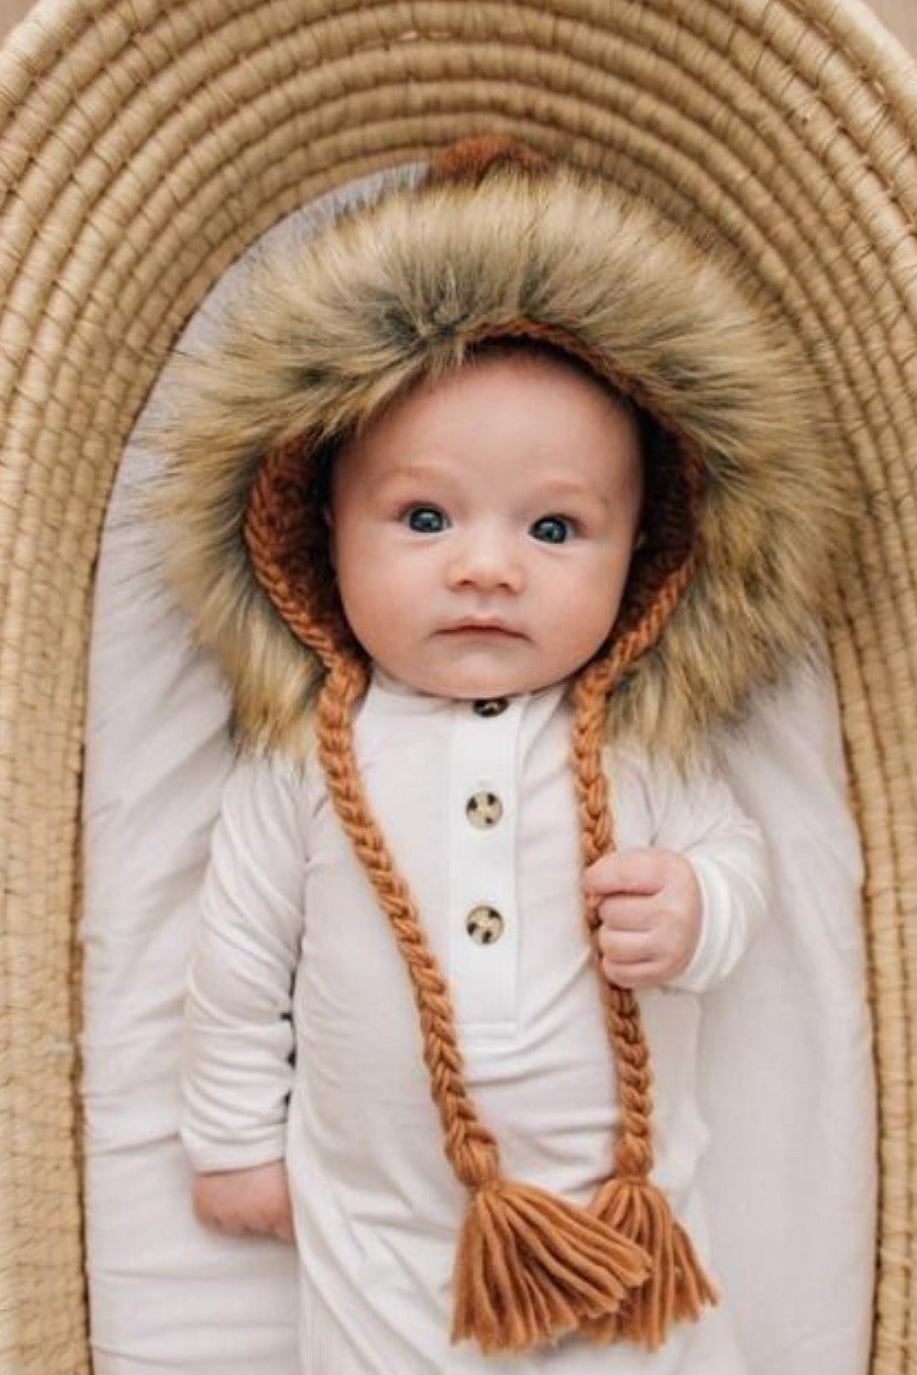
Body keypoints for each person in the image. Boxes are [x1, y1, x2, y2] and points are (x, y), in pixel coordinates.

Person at [158, 138, 842, 1374]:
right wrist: (231, 1144)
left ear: (642, 555)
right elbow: (238, 963)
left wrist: (695, 909)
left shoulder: (641, 738)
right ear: (321, 534)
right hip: (382, 1231)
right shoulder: (309, 761)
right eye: (422, 518)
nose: (485, 566)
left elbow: (737, 858)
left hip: (623, 1225)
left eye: (554, 526)